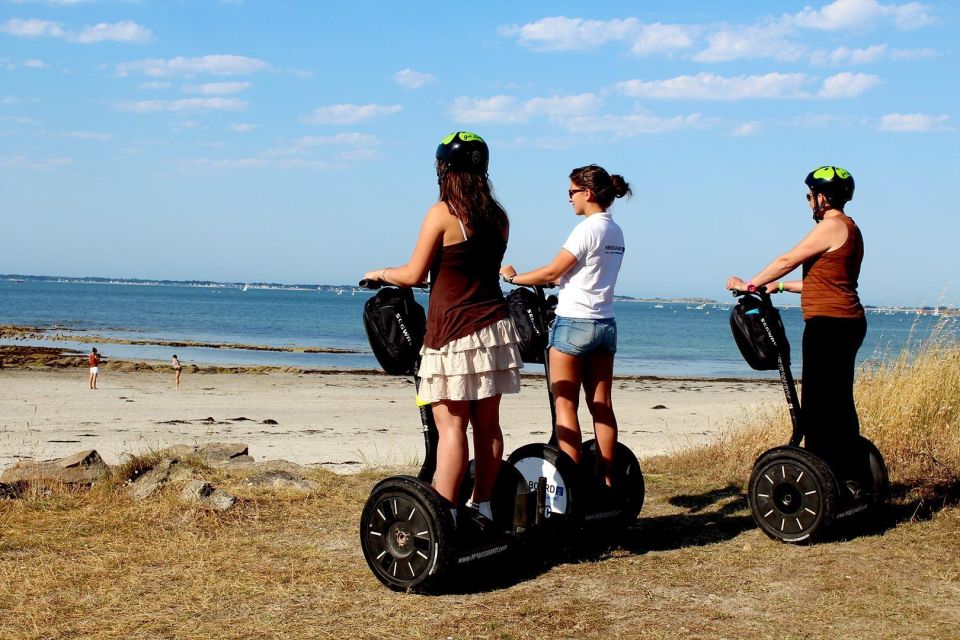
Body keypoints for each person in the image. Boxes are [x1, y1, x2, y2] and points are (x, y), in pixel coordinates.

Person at [363, 131, 522, 524]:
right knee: (487, 426)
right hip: (496, 329)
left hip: (453, 332)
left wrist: (379, 272)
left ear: (444, 169)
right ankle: (481, 506)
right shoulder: (499, 217)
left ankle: (444, 516)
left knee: (451, 428)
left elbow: (415, 273)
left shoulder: (443, 213)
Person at [725, 165, 869, 493]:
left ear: (822, 197)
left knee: (820, 405)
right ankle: (848, 474)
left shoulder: (831, 226)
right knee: (837, 402)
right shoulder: (851, 228)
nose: (808, 202)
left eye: (809, 196)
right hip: (846, 321)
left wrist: (749, 284)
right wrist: (777, 288)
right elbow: (825, 283)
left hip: (829, 326)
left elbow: (787, 259)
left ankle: (826, 482)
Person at [500, 164, 631, 491]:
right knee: (602, 406)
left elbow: (551, 272)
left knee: (565, 406)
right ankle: (608, 480)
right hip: (605, 324)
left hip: (574, 323)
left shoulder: (587, 229)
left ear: (587, 193)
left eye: (571, 193)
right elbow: (574, 274)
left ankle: (572, 489)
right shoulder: (615, 230)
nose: (569, 199)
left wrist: (513, 278)